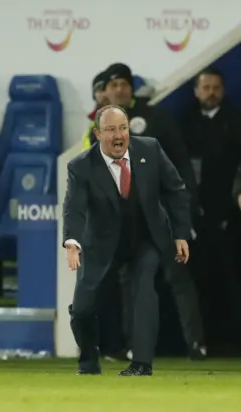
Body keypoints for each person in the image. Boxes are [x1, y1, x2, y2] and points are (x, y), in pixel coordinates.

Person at [63, 105, 191, 376]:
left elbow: (176, 190)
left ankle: (141, 364)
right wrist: (72, 242)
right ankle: (88, 361)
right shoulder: (81, 166)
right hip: (100, 242)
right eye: (110, 130)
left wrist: (180, 233)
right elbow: (74, 207)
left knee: (144, 292)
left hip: (144, 238)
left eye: (123, 128)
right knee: (84, 309)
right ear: (98, 134)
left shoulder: (150, 150)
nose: (119, 134)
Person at [182, 67, 241, 353]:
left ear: (224, 90)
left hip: (230, 216)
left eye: (216, 87)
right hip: (194, 217)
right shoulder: (183, 123)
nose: (211, 93)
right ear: (196, 91)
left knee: (231, 280)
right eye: (205, 87)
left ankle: (231, 342)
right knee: (198, 282)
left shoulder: (236, 121)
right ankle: (202, 342)